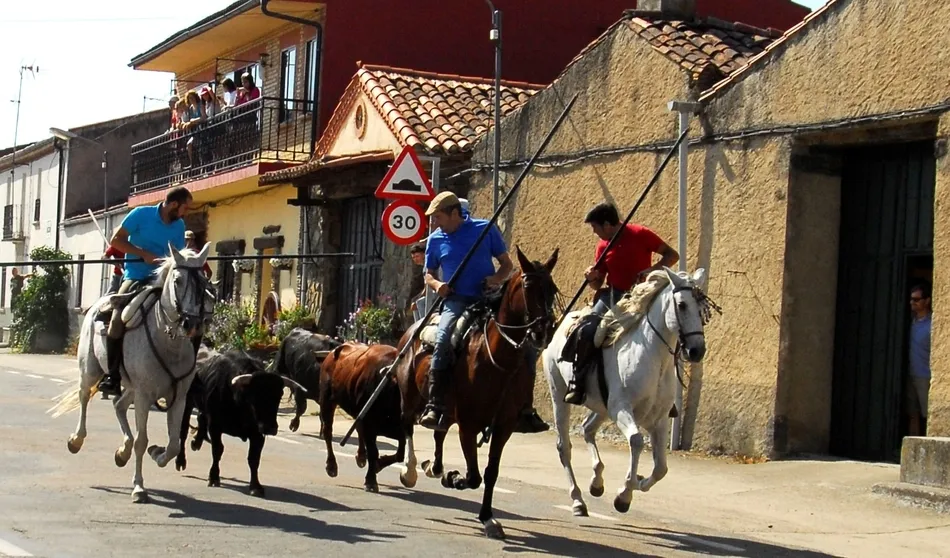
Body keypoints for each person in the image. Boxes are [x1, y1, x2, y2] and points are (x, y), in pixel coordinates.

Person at [562, 201, 679, 405]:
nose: (594, 232)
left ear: (607, 224)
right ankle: (578, 382)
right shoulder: (602, 246)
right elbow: (598, 285)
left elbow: (672, 255)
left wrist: (653, 270)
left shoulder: (640, 234)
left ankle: (666, 390)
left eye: (595, 227)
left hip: (644, 295)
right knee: (587, 329)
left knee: (669, 328)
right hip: (614, 296)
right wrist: (592, 277)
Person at [420, 191, 512, 431]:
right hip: (456, 299)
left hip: (488, 298)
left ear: (454, 213)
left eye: (437, 217)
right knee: (443, 340)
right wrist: (438, 285)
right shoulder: (435, 240)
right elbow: (428, 274)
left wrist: (495, 279)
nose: (434, 223)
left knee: (521, 340)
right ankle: (435, 403)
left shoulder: (485, 229)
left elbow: (507, 264)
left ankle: (522, 405)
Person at [96, 187, 192, 396]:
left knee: (190, 314)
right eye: (185, 207)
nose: (186, 212)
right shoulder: (141, 214)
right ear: (174, 205)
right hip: (136, 276)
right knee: (116, 320)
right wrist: (143, 254)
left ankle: (187, 375)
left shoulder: (179, 225)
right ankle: (112, 376)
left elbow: (178, 254)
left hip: (163, 280)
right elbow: (116, 240)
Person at [907, 281, 932, 437]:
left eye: (916, 300)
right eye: (911, 299)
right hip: (910, 374)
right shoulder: (909, 321)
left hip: (924, 376)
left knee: (927, 414)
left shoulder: (933, 324)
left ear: (927, 301)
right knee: (912, 413)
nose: (912, 303)